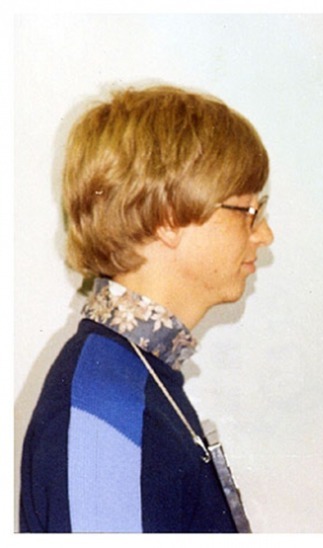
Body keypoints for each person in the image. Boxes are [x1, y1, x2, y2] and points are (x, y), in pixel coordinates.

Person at [19, 85, 274, 532]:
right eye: (247, 210)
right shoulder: (105, 409)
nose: (264, 234)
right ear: (167, 219)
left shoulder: (137, 374)